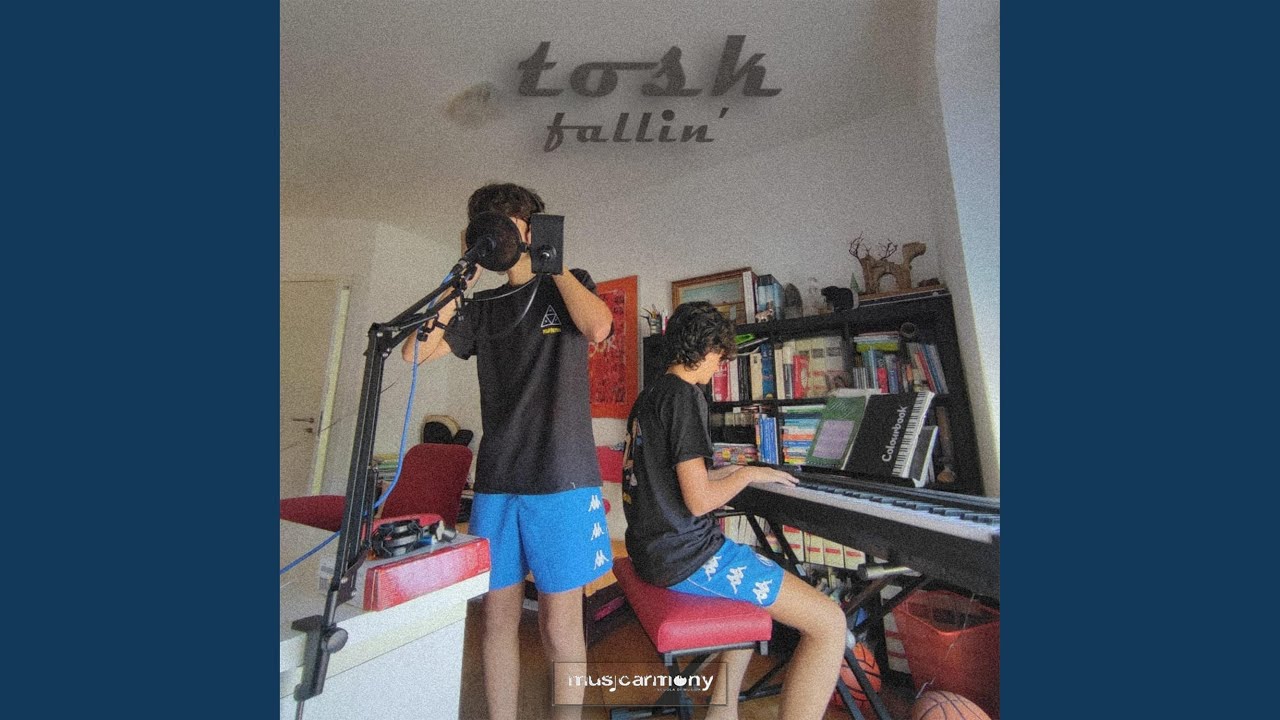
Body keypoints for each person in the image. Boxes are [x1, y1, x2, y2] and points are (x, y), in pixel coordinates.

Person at [402, 182, 615, 720]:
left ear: (532, 226)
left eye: (510, 219)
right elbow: (413, 352)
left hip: (561, 478)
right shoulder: (480, 307)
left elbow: (598, 326)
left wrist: (552, 261)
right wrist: (461, 275)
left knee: (558, 626)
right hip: (497, 481)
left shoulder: (568, 284)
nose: (500, 229)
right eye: (487, 222)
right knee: (496, 619)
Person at [621, 301, 848, 720]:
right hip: (686, 558)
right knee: (830, 622)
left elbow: (673, 477)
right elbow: (700, 500)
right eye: (720, 358)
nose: (718, 367)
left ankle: (721, 713)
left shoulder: (650, 396)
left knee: (755, 591)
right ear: (707, 350)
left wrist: (737, 471)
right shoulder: (686, 396)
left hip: (654, 551)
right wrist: (747, 474)